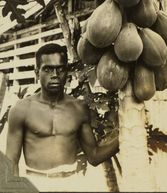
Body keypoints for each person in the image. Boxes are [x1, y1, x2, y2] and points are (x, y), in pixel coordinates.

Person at [6, 43, 119, 190]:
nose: (54, 75)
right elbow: (11, 162)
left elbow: (94, 156)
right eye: (48, 69)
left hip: (71, 183)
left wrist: (124, 135)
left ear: (66, 73)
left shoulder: (78, 109)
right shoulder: (21, 109)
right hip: (37, 183)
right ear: (36, 73)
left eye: (60, 69)